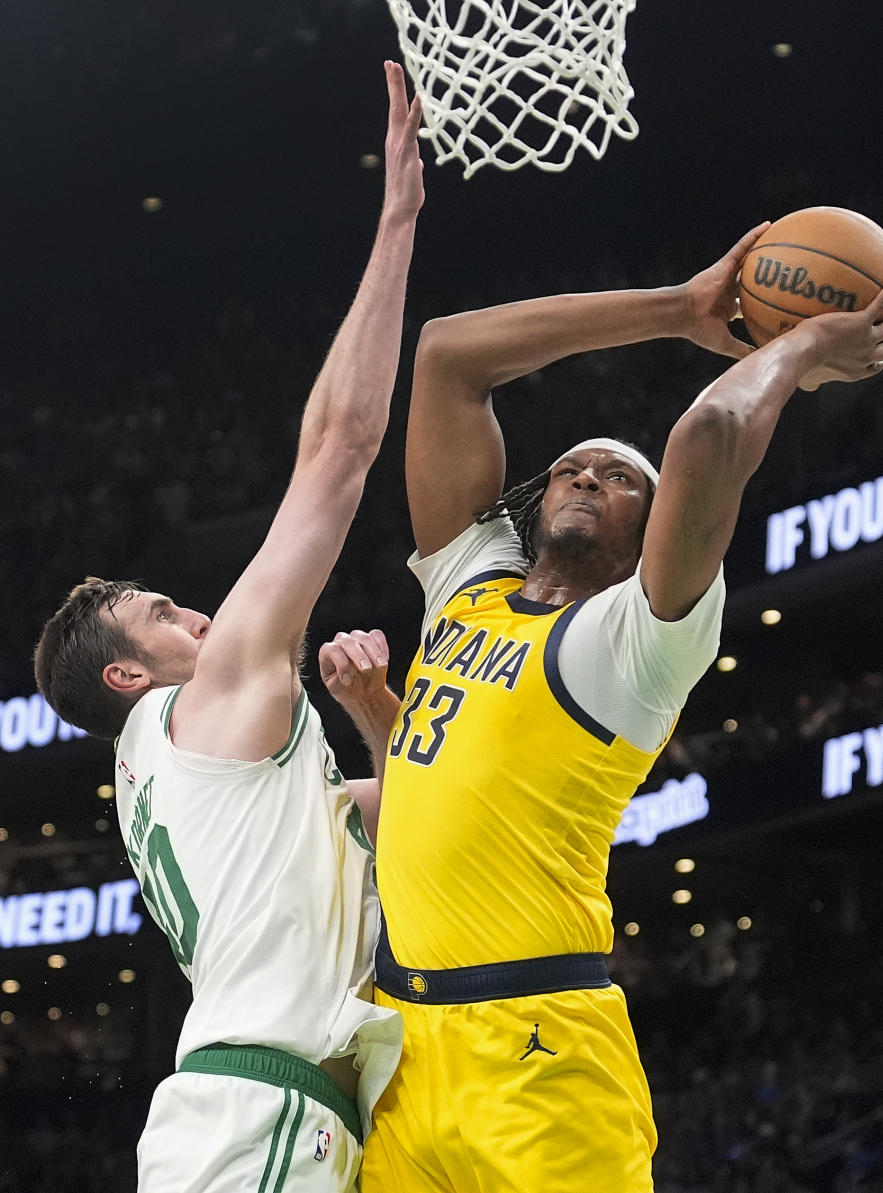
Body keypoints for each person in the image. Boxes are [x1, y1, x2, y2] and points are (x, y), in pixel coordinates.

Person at [318, 230, 883, 1192]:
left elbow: (708, 439)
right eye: (571, 467)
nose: (589, 476)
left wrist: (797, 349)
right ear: (536, 495)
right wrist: (678, 309)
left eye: (620, 476)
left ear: (655, 525)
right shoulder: (468, 582)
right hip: (405, 1053)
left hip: (542, 1050)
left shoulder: (638, 637)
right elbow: (446, 355)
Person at [32, 62, 424, 1193]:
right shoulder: (199, 709)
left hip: (265, 1114)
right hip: (265, 1117)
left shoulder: (211, 779)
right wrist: (397, 220)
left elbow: (403, 813)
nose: (196, 611)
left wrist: (376, 719)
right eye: (162, 613)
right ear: (126, 672)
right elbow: (339, 451)